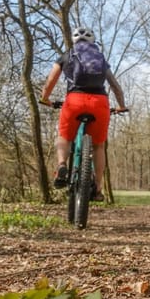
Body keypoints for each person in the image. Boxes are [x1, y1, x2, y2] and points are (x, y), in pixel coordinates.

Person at [39, 26, 127, 200]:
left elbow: (50, 81)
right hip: (100, 102)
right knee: (98, 146)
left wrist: (45, 99)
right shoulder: (100, 58)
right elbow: (115, 86)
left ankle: (62, 165)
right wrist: (121, 106)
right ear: (92, 41)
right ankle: (98, 187)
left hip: (74, 101)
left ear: (74, 40)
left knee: (64, 137)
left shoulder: (67, 55)